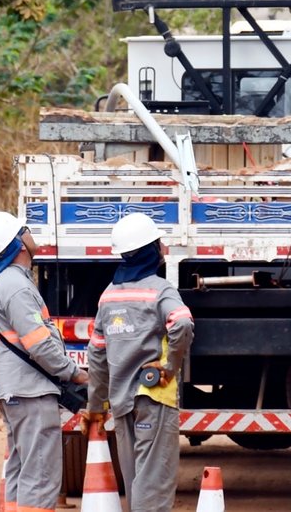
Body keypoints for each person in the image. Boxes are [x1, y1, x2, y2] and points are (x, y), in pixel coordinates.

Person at [0, 209, 86, 512]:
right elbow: (40, 346)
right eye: (24, 229)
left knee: (21, 470)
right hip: (31, 395)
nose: (30, 232)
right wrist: (75, 373)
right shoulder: (16, 286)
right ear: (18, 244)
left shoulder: (3, 284)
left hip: (17, 394)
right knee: (40, 476)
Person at [85, 213, 195, 512]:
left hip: (121, 404)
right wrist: (170, 366)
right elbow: (182, 324)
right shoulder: (160, 290)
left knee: (135, 482)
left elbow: (96, 355)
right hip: (153, 399)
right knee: (153, 484)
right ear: (152, 250)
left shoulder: (107, 297)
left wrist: (95, 406)